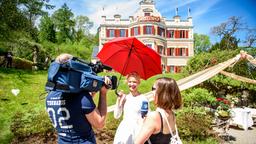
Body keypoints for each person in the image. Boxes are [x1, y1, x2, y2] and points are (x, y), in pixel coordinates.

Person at [45, 54, 112, 144]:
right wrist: (103, 93)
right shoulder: (81, 97)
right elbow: (100, 124)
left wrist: (91, 96)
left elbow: (74, 108)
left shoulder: (49, 96)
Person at [135, 77, 182, 144]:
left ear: (162, 93)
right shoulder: (172, 114)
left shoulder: (154, 116)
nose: (152, 92)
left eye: (154, 89)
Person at [113, 72, 149, 144]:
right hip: (124, 132)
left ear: (139, 83)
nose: (132, 84)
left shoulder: (143, 99)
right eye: (130, 82)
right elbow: (116, 116)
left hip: (138, 132)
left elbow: (147, 118)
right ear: (127, 82)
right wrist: (119, 100)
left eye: (134, 82)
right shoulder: (125, 97)